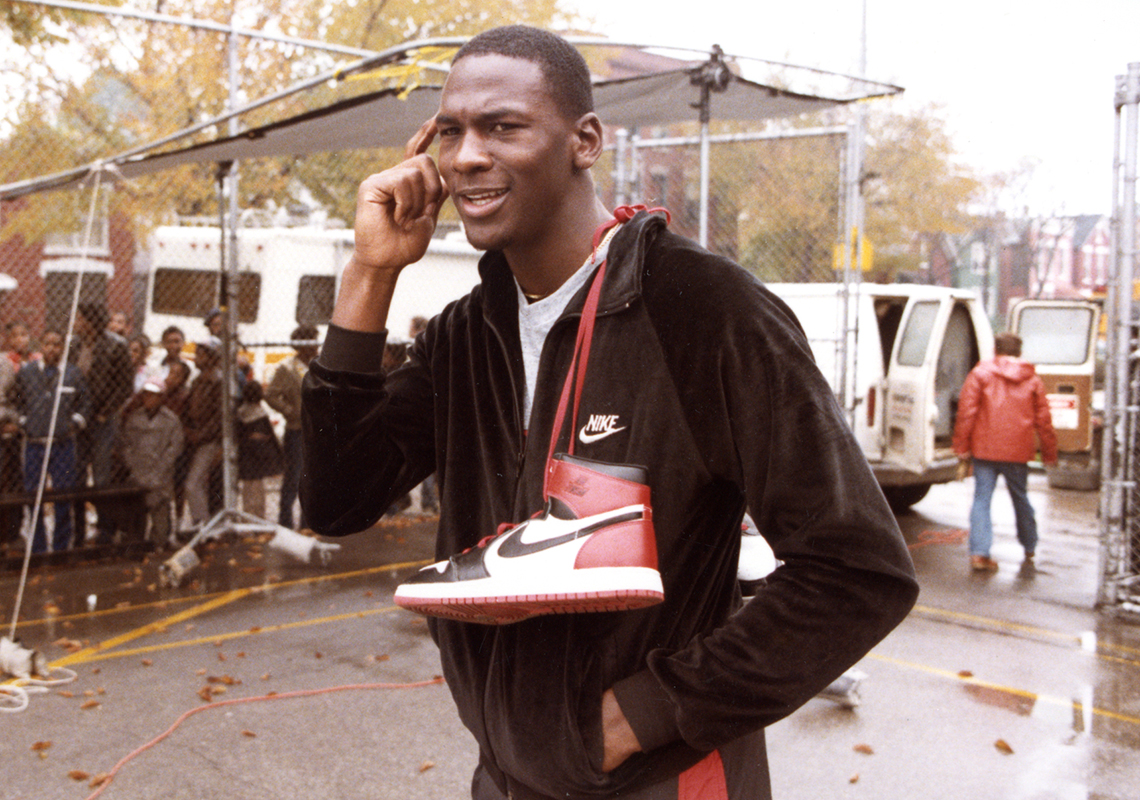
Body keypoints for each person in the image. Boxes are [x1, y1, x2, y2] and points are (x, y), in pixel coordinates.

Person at [300, 26, 918, 800]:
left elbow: (857, 571)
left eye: (503, 127)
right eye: (450, 131)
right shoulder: (467, 334)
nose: (465, 157)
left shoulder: (703, 309)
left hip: (660, 774)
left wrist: (639, 717)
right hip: (509, 774)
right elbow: (334, 500)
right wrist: (369, 273)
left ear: (584, 140)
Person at [953, 332, 1058, 572]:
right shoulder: (1032, 379)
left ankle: (980, 554)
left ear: (995, 350)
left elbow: (966, 413)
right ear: (1019, 351)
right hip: (1017, 452)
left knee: (982, 500)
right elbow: (1044, 420)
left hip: (984, 450)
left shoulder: (980, 374)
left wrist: (961, 446)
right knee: (1020, 498)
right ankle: (1030, 546)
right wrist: (1050, 453)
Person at [13, 330, 91, 554]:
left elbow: (84, 404)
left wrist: (75, 423)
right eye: (48, 344)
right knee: (33, 495)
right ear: (40, 346)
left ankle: (60, 548)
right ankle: (37, 548)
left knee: (63, 495)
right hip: (34, 443)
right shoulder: (27, 373)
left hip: (62, 444)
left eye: (57, 345)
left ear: (63, 348)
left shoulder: (72, 374)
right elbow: (15, 400)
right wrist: (23, 421)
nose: (52, 349)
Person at [265, 323, 318, 530]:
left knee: (312, 477)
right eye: (311, 342)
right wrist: (290, 411)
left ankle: (307, 522)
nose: (316, 347)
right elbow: (270, 395)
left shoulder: (319, 365)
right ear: (301, 346)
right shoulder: (287, 368)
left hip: (316, 428)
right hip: (297, 429)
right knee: (294, 476)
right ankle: (285, 520)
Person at [119, 380, 184, 549]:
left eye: (154, 395)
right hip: (138, 470)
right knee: (136, 513)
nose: (149, 399)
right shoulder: (135, 418)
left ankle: (159, 543)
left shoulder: (171, 420)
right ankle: (136, 542)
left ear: (161, 397)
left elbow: (175, 448)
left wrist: (161, 470)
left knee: (160, 515)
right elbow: (127, 445)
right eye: (146, 394)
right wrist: (132, 465)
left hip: (160, 475)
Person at [181, 337, 224, 530]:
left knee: (193, 483)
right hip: (196, 437)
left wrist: (201, 435)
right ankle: (203, 522)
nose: (196, 358)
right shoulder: (198, 380)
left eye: (201, 354)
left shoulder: (218, 381)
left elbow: (219, 417)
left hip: (210, 440)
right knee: (197, 484)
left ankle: (203, 524)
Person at [235, 380, 283, 520]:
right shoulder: (260, 415)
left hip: (246, 459)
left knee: (248, 492)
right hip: (257, 461)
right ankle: (256, 520)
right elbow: (269, 439)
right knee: (257, 493)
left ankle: (249, 519)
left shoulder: (240, 413)